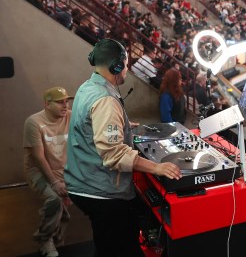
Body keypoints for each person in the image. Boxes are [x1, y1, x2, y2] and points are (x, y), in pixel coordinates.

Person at [64, 39, 182, 256]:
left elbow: (92, 125)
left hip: (82, 181)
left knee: (110, 243)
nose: (127, 68)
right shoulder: (106, 100)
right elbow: (113, 154)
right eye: (126, 64)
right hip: (100, 191)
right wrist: (157, 168)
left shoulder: (88, 87)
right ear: (117, 66)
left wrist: (124, 126)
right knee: (120, 248)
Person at [23, 87, 73, 257]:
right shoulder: (34, 122)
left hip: (62, 168)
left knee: (62, 212)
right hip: (38, 170)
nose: (65, 105)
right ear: (46, 104)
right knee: (54, 198)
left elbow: (95, 123)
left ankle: (56, 240)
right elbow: (38, 157)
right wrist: (55, 182)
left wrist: (122, 124)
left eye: (66, 101)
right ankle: (44, 239)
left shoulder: (70, 116)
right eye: (60, 102)